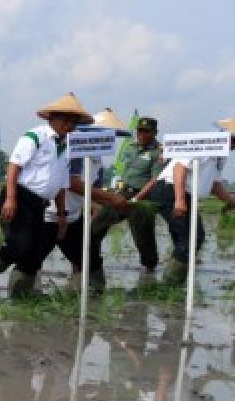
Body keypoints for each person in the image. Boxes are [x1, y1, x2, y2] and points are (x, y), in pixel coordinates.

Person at [0, 92, 86, 303]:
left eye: (73, 122)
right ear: (53, 118)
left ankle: (20, 295)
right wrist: (11, 199)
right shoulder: (35, 137)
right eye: (65, 120)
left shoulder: (67, 148)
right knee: (20, 242)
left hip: (39, 204)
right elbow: (14, 166)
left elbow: (61, 185)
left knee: (34, 251)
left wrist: (61, 215)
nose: (69, 125)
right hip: (19, 198)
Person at [34, 108, 131, 295]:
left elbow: (94, 189)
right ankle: (26, 295)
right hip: (50, 214)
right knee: (32, 259)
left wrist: (94, 205)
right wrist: (109, 197)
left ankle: (85, 295)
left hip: (74, 216)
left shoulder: (98, 160)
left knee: (87, 258)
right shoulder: (74, 151)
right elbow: (70, 182)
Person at [134, 116, 235, 284]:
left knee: (194, 237)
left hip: (184, 195)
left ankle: (174, 279)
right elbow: (179, 169)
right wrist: (179, 201)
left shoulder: (220, 156)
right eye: (233, 141)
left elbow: (214, 184)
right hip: (169, 191)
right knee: (190, 238)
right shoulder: (204, 145)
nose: (233, 146)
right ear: (225, 137)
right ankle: (171, 282)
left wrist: (231, 200)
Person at [90, 113, 161, 281]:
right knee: (96, 226)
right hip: (122, 193)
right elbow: (124, 171)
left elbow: (154, 180)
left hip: (142, 197)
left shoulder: (158, 153)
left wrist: (138, 198)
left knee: (143, 236)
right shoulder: (130, 147)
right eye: (140, 131)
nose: (142, 134)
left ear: (154, 133)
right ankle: (90, 260)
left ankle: (149, 271)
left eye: (146, 131)